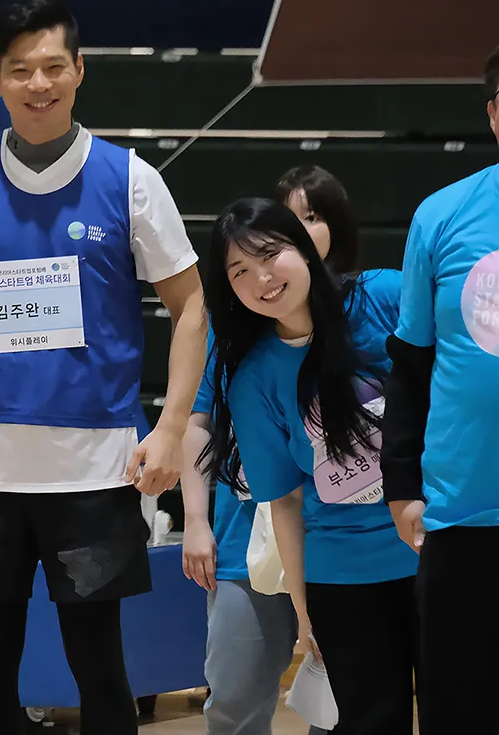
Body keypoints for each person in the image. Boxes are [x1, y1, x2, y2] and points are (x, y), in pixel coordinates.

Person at [0, 0, 208, 734]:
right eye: (21, 69)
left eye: (54, 67)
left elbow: (191, 305)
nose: (39, 84)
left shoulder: (131, 180)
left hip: (94, 473)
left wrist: (169, 427)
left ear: (80, 70)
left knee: (101, 672)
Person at [201, 198, 418, 735]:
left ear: (302, 247)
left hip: (436, 551)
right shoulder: (253, 380)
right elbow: (285, 502)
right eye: (239, 271)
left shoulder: (384, 297)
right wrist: (304, 614)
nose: (261, 278)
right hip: (342, 576)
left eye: (270, 254)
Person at [181, 164, 361, 735]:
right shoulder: (235, 335)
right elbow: (197, 421)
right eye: (289, 218)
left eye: (313, 216)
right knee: (234, 695)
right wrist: (194, 521)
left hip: (342, 536)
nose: (303, 228)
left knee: (340, 699)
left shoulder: (364, 310)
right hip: (247, 535)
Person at [382, 44, 499, 733]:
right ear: (494, 114)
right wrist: (401, 485)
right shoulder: (442, 215)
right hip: (461, 515)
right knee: (460, 708)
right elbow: (410, 362)